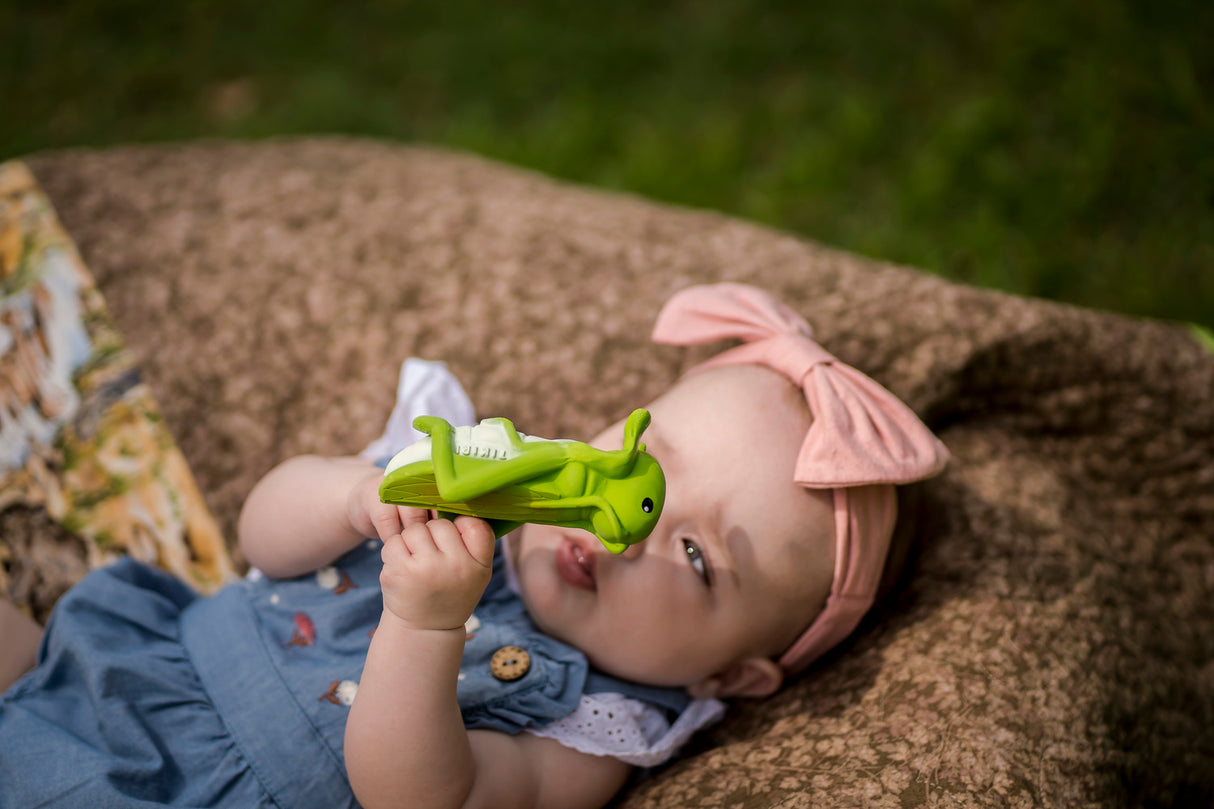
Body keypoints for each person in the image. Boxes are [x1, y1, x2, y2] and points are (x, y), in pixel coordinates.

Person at [0, 283, 948, 809]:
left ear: (731, 676)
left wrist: (423, 621)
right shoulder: (479, 478)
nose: (639, 525)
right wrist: (354, 491)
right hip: (133, 658)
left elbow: (418, 798)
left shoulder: (598, 723)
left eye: (698, 559)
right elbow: (261, 534)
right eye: (644, 463)